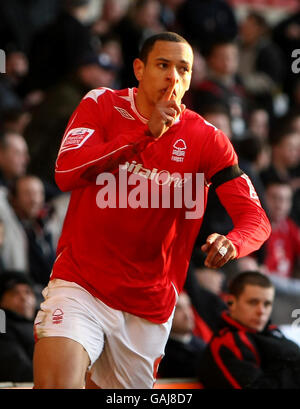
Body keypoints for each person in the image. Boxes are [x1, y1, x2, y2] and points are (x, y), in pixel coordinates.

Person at [33, 32, 271, 389]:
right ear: (139, 69)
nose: (173, 77)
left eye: (183, 69)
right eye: (163, 65)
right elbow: (66, 172)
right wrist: (141, 135)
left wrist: (233, 243)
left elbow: (256, 219)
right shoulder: (101, 104)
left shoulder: (208, 140)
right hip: (82, 284)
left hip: (149, 306)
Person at [198, 271, 300, 389]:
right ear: (231, 303)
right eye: (253, 302)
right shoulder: (226, 344)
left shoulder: (272, 331)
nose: (261, 311)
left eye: (267, 304)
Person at [157, 291, 205, 378]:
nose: (187, 314)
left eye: (188, 306)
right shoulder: (161, 352)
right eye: (178, 308)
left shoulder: (203, 345)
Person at [0, 271, 37, 382]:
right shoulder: (3, 325)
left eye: (28, 292)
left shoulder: (46, 320)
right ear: (1, 300)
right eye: (14, 293)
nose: (23, 297)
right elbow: (18, 369)